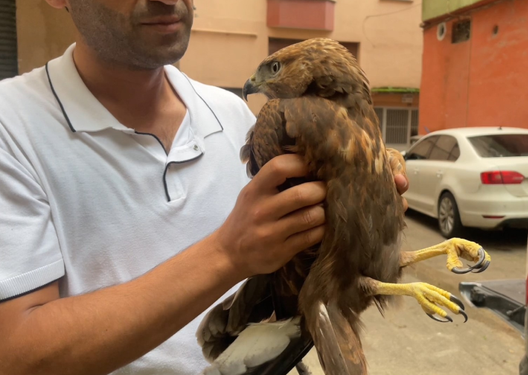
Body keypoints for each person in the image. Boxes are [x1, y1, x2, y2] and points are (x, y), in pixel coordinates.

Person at [0, 1, 409, 374]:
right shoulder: (11, 125)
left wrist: (363, 192)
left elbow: (298, 270)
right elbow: (15, 354)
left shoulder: (232, 113)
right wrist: (227, 254)